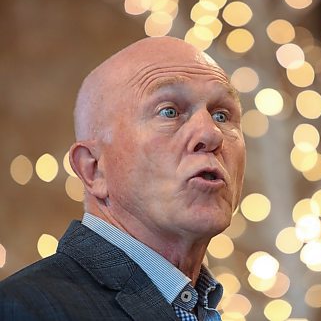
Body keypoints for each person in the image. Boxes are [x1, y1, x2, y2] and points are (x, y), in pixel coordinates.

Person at [0, 36, 246, 320]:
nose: (210, 134)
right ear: (93, 169)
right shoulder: (22, 310)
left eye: (221, 115)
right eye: (169, 112)